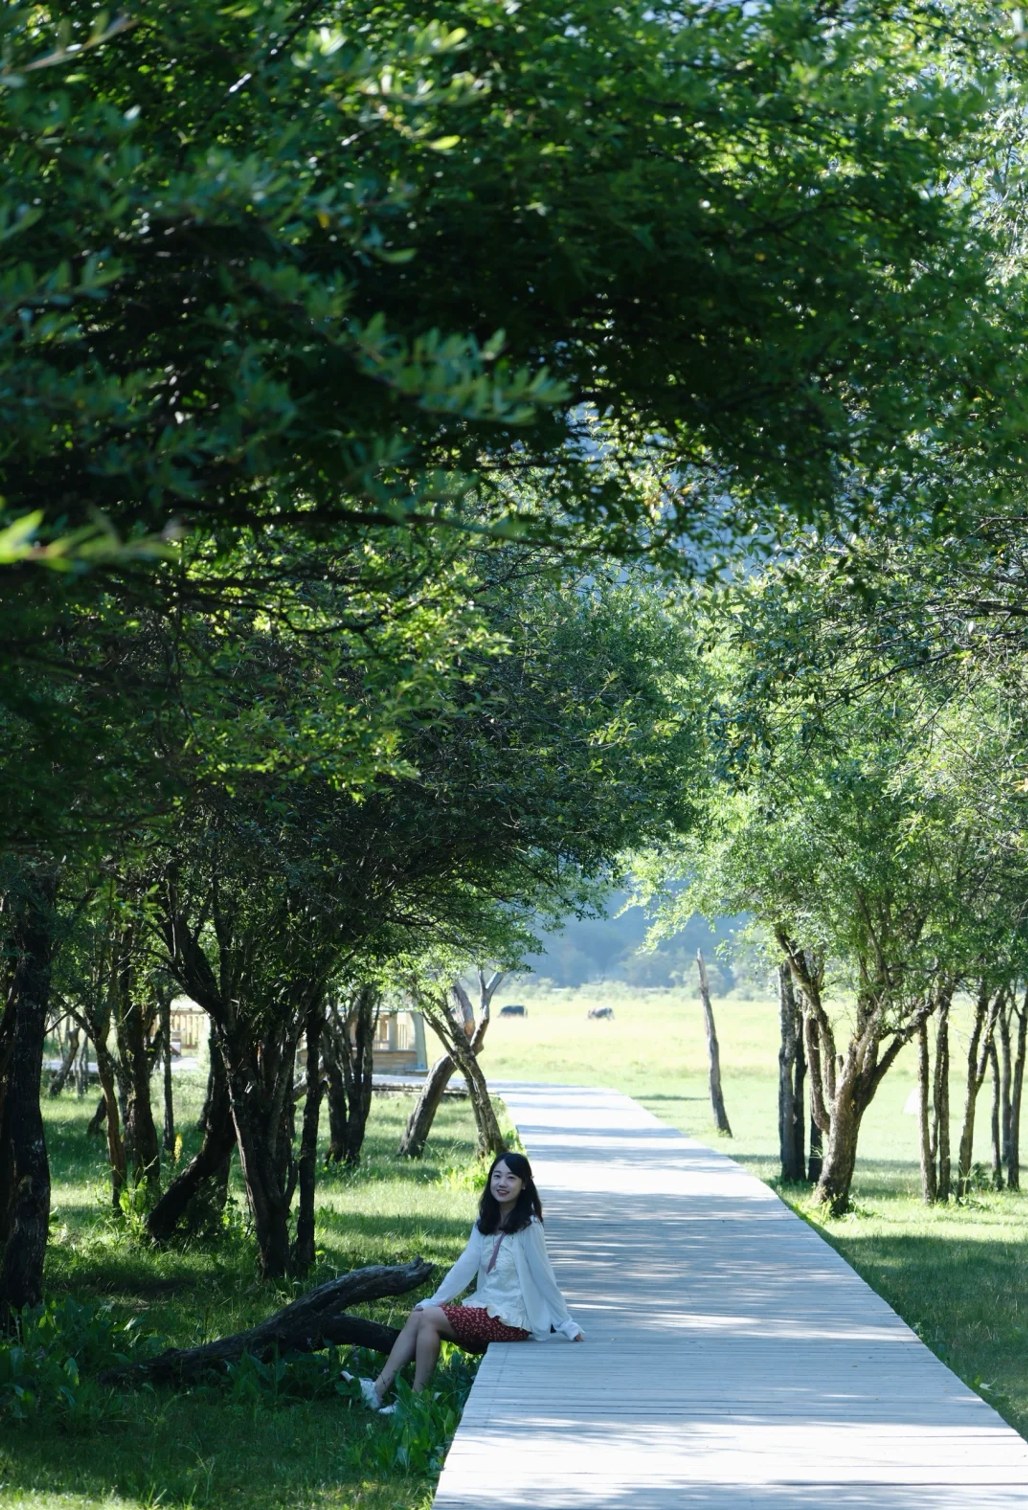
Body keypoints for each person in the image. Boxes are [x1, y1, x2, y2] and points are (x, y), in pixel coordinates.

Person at [351, 1150, 584, 1413]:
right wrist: (435, 1300)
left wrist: (565, 1323)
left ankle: (411, 1402)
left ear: (524, 1184)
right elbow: (464, 1267)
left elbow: (545, 1276)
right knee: (421, 1316)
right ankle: (381, 1391)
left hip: (511, 1320)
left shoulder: (529, 1226)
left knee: (428, 1318)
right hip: (484, 1310)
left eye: (510, 1178)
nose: (502, 1183)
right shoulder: (485, 1221)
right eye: (496, 1176)